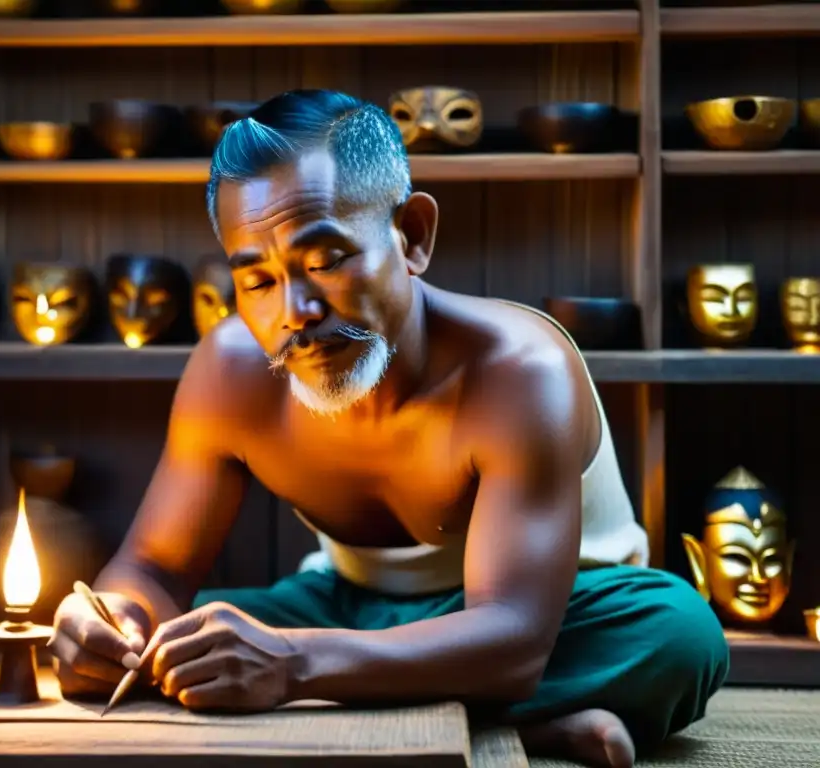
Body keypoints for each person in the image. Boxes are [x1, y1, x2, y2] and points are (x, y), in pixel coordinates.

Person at [48, 89, 729, 768]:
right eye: (256, 279)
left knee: (682, 634)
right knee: (188, 644)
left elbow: (517, 638)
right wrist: (115, 621)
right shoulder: (230, 371)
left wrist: (294, 666)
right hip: (346, 615)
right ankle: (502, 728)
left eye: (324, 261)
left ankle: (372, 712)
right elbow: (155, 568)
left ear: (412, 236)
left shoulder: (519, 368)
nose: (296, 311)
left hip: (561, 616)